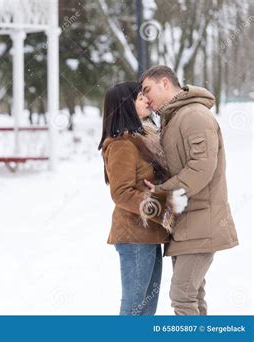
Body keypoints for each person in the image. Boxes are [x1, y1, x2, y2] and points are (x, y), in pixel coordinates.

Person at [140, 65, 239, 315]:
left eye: (147, 89)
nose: (145, 98)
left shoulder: (193, 115)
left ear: (165, 83)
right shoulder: (173, 118)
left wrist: (162, 191)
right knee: (192, 295)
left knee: (182, 296)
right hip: (186, 223)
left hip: (201, 222)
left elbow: (202, 168)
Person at [98, 81, 186, 315]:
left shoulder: (141, 139)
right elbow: (121, 193)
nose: (147, 100)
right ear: (126, 107)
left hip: (148, 234)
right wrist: (164, 205)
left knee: (147, 308)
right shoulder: (121, 144)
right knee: (133, 308)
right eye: (139, 97)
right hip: (134, 235)